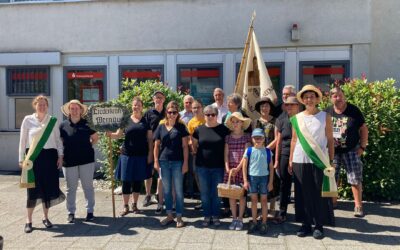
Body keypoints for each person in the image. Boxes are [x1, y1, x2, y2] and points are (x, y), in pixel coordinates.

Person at [289, 85, 335, 239]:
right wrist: (290, 160)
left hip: (319, 161)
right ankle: (305, 224)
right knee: (302, 193)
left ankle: (319, 225)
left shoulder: (325, 116)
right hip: (299, 160)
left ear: (317, 99)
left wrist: (331, 160)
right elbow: (294, 140)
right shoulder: (296, 118)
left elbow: (330, 139)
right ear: (302, 99)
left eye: (312, 96)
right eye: (306, 97)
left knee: (318, 194)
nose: (309, 99)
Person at [19, 95, 65, 233]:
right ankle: (29, 220)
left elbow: (58, 140)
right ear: (35, 105)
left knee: (48, 188)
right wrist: (21, 159)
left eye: (44, 104)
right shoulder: (28, 120)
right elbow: (22, 141)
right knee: (32, 189)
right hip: (33, 158)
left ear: (47, 106)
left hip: (50, 158)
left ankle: (45, 217)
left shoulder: (53, 121)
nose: (42, 106)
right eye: (40, 104)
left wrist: (60, 156)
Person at [325, 86, 368, 217]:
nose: (338, 98)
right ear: (331, 98)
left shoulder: (353, 110)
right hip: (333, 151)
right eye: (335, 96)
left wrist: (362, 147)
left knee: (355, 178)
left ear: (344, 95)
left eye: (340, 95)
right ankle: (332, 203)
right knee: (332, 177)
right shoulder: (327, 112)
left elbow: (364, 129)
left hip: (351, 150)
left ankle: (358, 206)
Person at [107, 97, 153, 216]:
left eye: (138, 105)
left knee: (137, 181)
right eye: (134, 105)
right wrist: (109, 134)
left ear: (142, 107)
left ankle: (135, 205)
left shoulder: (146, 122)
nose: (136, 107)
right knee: (126, 181)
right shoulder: (125, 120)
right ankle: (125, 206)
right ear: (131, 106)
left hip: (141, 155)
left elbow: (150, 140)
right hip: (127, 155)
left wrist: (150, 155)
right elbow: (118, 135)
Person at [60, 100, 98, 223]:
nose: (75, 110)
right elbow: (60, 142)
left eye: (77, 108)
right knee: (71, 188)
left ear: (81, 110)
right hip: (69, 161)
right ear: (69, 111)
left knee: (88, 187)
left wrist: (86, 147)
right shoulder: (63, 125)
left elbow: (95, 139)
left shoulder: (88, 124)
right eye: (72, 108)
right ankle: (71, 212)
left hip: (86, 160)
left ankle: (90, 211)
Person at [192, 105, 230, 227]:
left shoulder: (223, 129)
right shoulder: (199, 130)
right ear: (204, 115)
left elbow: (228, 147)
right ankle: (207, 215)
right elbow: (194, 145)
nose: (210, 117)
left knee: (216, 193)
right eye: (207, 114)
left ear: (216, 115)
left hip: (218, 167)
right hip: (202, 166)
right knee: (204, 193)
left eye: (212, 114)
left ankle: (215, 215)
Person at [154, 101, 189, 228]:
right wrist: (156, 161)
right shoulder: (161, 127)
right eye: (170, 112)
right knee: (167, 191)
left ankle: (179, 216)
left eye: (174, 112)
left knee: (179, 191)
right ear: (166, 113)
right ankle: (169, 215)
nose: (172, 114)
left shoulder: (181, 127)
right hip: (163, 162)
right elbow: (156, 146)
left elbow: (185, 147)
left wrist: (185, 163)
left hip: (177, 162)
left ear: (177, 113)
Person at [274, 96, 300, 223]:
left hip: (300, 154)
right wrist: (277, 160)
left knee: (301, 184)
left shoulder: (303, 118)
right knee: (284, 184)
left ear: (298, 106)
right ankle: (282, 212)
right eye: (287, 104)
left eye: (292, 104)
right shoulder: (281, 119)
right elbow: (278, 141)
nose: (289, 107)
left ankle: (302, 213)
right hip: (284, 154)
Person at [243, 128, 274, 235]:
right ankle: (254, 221)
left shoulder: (268, 151)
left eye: (260, 138)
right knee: (254, 200)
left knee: (264, 201)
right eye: (255, 138)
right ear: (252, 139)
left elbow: (271, 168)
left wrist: (270, 182)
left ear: (264, 139)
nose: (258, 140)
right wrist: (245, 180)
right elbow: (244, 166)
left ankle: (264, 222)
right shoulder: (249, 150)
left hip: (264, 178)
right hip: (252, 178)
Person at [224, 112, 252, 231]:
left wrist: (238, 168)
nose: (235, 124)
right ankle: (234, 218)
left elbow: (246, 155)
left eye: (238, 121)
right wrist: (228, 169)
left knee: (241, 196)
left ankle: (240, 219)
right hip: (230, 170)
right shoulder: (228, 137)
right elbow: (225, 155)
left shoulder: (247, 137)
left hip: (242, 170)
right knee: (231, 195)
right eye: (233, 121)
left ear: (242, 123)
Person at [254, 97, 279, 218]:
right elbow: (252, 138)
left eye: (267, 106)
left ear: (270, 108)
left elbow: (277, 138)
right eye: (262, 106)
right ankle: (261, 208)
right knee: (260, 180)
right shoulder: (255, 122)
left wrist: (267, 150)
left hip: (270, 154)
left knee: (272, 180)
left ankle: (272, 208)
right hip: (258, 155)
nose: (264, 108)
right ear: (259, 108)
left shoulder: (275, 121)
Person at [143, 90, 165, 213]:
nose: (158, 99)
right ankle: (147, 195)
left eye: (160, 97)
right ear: (153, 99)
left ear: (164, 99)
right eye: (156, 97)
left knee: (160, 171)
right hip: (150, 145)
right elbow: (145, 130)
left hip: (164, 147)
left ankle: (158, 193)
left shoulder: (167, 112)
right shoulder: (148, 113)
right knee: (149, 170)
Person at [187, 100, 205, 201]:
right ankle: (203, 198)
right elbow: (190, 138)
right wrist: (192, 147)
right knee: (196, 174)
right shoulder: (191, 122)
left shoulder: (207, 119)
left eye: (198, 107)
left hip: (207, 153)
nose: (196, 109)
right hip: (196, 153)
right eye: (194, 108)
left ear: (202, 107)